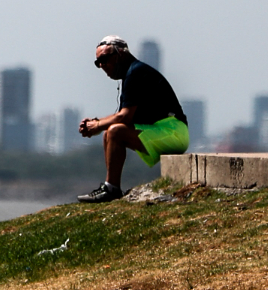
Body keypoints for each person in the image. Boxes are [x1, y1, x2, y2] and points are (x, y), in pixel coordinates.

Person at [76, 35, 189, 203]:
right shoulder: (130, 74)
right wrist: (97, 124)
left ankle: (111, 189)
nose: (101, 65)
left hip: (174, 131)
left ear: (121, 54)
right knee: (110, 133)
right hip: (167, 130)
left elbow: (124, 116)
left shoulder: (135, 72)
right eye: (97, 62)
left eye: (104, 59)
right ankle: (109, 186)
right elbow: (123, 117)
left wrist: (97, 125)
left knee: (114, 131)